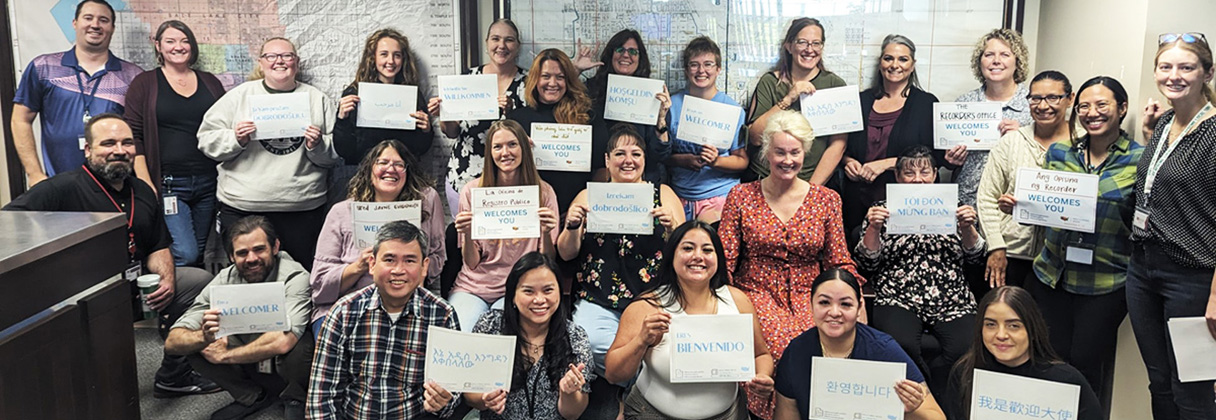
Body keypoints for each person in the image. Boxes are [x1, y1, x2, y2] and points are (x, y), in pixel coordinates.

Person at [3, 113, 220, 399]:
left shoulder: (141, 190)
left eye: (127, 143)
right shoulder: (61, 188)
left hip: (134, 286)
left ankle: (173, 375)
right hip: (82, 294)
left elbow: (158, 244)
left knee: (199, 281)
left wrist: (166, 280)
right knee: (104, 387)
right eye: (108, 143)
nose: (119, 150)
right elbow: (10, 222)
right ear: (89, 149)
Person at [997, 76, 1140, 417]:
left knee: (1086, 367)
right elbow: (1047, 212)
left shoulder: (1139, 159)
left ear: (1122, 109)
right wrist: (1021, 208)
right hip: (1051, 277)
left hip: (1104, 282)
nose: (1092, 113)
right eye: (1085, 106)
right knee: (1045, 362)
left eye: (1102, 105)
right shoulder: (1061, 153)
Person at [718, 110, 862, 418]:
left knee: (830, 346)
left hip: (812, 294)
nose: (787, 160)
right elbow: (725, 259)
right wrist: (722, 306)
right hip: (755, 291)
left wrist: (855, 301)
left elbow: (839, 258)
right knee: (785, 345)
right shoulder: (740, 196)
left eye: (794, 152)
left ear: (804, 153)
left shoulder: (827, 200)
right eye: (779, 152)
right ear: (767, 152)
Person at [1128, 32, 1216, 419]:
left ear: (1207, 73)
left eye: (1186, 67)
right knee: (1159, 381)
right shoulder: (1164, 124)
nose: (1174, 75)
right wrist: (1149, 134)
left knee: (1192, 389)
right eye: (1166, 67)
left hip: (1193, 278)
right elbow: (1166, 185)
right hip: (1143, 269)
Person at [605, 220, 774, 420]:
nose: (698, 257)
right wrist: (641, 340)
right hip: (652, 414)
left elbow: (761, 354)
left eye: (707, 250)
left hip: (728, 414)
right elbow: (613, 374)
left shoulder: (737, 301)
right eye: (688, 248)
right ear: (672, 256)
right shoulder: (647, 306)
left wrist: (762, 376)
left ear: (718, 258)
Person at [197, 37, 340, 271]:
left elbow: (335, 153)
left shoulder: (316, 99)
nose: (279, 61)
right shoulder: (239, 96)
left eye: (287, 56)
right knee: (248, 278)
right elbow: (206, 140)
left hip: (301, 208)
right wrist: (236, 138)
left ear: (297, 62)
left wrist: (317, 145)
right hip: (244, 207)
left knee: (297, 275)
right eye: (272, 56)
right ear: (261, 63)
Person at [855, 145, 983, 396]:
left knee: (966, 349)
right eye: (909, 174)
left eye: (925, 172)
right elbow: (867, 264)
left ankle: (941, 398)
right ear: (898, 177)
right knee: (899, 346)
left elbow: (976, 257)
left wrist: (968, 227)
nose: (918, 179)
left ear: (935, 174)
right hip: (898, 293)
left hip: (951, 296)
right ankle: (920, 400)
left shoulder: (954, 207)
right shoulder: (882, 208)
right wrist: (873, 228)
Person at [557, 124, 684, 375]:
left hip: (653, 295)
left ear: (644, 160)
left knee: (670, 345)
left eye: (636, 154)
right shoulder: (589, 195)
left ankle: (638, 382)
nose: (628, 160)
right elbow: (566, 253)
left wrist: (672, 228)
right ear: (607, 159)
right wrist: (572, 226)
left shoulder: (663, 194)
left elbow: (684, 250)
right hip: (599, 296)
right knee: (588, 344)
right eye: (619, 154)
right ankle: (640, 383)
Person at [164, 216, 314, 420]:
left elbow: (284, 341)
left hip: (286, 363)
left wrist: (225, 356)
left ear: (275, 247)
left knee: (301, 344)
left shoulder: (295, 277)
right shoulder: (224, 279)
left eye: (259, 249)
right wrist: (203, 337)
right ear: (232, 257)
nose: (251, 259)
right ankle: (251, 396)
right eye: (242, 253)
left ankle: (296, 398)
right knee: (193, 343)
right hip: (249, 360)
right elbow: (172, 342)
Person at [308, 220, 461, 419]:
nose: (398, 270)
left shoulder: (442, 315)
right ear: (372, 264)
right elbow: (322, 397)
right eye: (389, 260)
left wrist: (443, 402)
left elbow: (451, 394)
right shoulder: (344, 313)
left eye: (410, 260)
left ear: (424, 267)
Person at [310, 140, 445, 338]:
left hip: (406, 301)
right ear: (369, 170)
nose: (391, 169)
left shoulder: (426, 203)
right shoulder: (341, 212)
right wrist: (358, 267)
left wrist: (412, 266)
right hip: (348, 304)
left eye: (399, 164)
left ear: (407, 171)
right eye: (382, 163)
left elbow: (437, 258)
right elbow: (320, 285)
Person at [773, 269, 946, 420]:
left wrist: (911, 410)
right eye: (824, 302)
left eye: (845, 304)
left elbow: (937, 417)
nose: (834, 312)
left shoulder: (884, 350)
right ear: (811, 304)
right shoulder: (797, 351)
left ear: (859, 307)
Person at [123, 19, 226, 266]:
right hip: (170, 184)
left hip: (208, 182)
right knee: (185, 252)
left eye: (184, 41)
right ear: (158, 46)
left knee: (200, 251)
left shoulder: (210, 82)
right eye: (170, 41)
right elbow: (133, 136)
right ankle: (167, 297)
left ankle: (190, 300)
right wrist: (146, 183)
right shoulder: (145, 83)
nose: (178, 47)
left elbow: (224, 125)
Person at [12, 0, 143, 184]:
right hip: (59, 183)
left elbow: (139, 134)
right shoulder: (44, 68)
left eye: (103, 20)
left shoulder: (133, 75)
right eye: (88, 18)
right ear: (75, 23)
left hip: (116, 184)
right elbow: (20, 119)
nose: (95, 25)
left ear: (112, 28)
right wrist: (34, 174)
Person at [452, 120, 560, 331]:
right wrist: (466, 233)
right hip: (474, 286)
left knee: (501, 336)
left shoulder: (544, 192)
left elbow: (547, 260)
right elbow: (471, 263)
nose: (505, 152)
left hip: (519, 287)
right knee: (461, 333)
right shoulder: (471, 191)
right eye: (497, 146)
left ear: (523, 147)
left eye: (512, 144)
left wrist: (546, 233)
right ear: (489, 152)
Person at [975, 71, 1074, 291]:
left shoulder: (1083, 144)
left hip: (1061, 259)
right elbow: (986, 197)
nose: (1043, 105)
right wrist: (996, 246)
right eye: (1035, 98)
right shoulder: (1011, 142)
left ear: (1070, 99)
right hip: (1011, 254)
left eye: (1053, 98)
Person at [842, 34, 949, 236]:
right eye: (888, 58)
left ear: (913, 64)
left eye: (903, 59)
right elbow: (843, 147)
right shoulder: (861, 100)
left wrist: (887, 164)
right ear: (881, 62)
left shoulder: (926, 104)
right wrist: (848, 162)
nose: (894, 65)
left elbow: (935, 157)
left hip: (907, 205)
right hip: (858, 202)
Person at [465, 252, 594, 420]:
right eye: (528, 291)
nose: (539, 299)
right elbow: (469, 393)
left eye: (548, 290)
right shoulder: (490, 326)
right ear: (512, 296)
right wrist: (484, 400)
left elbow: (572, 414)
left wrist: (568, 392)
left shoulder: (575, 337)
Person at [945, 286, 1102, 420]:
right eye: (991, 325)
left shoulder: (1066, 380)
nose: (1001, 335)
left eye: (1013, 326)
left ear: (1032, 330)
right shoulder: (965, 372)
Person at [438, 19, 528, 217]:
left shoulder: (529, 84)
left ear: (517, 46)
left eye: (509, 40)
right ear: (487, 42)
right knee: (466, 241)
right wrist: (443, 115)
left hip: (510, 182)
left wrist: (511, 114)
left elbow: (532, 134)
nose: (501, 46)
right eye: (495, 39)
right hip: (464, 176)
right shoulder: (468, 79)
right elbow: (452, 133)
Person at [331, 28, 433, 204]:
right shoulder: (354, 93)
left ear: (403, 59)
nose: (390, 61)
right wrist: (342, 119)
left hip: (403, 183)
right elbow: (344, 151)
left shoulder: (412, 95)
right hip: (365, 183)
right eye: (384, 54)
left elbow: (420, 150)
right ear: (373, 58)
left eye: (397, 55)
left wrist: (426, 130)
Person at [745, 18, 846, 188]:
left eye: (816, 43)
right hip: (765, 181)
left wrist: (810, 190)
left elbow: (838, 145)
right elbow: (755, 137)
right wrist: (788, 99)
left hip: (811, 183)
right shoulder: (769, 82)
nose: (809, 50)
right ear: (789, 46)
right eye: (802, 42)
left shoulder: (834, 84)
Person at [507, 48, 611, 213]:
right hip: (533, 211)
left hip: (579, 210)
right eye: (546, 76)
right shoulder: (517, 120)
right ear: (535, 79)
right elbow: (505, 170)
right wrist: (516, 149)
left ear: (568, 80)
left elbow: (601, 169)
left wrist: (585, 206)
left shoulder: (588, 117)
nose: (553, 83)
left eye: (560, 77)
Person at [665, 36, 749, 223]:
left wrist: (716, 161)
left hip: (718, 194)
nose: (701, 71)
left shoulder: (732, 109)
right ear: (686, 70)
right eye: (694, 65)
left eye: (708, 64)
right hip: (680, 194)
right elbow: (661, 154)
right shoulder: (672, 105)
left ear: (718, 69)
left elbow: (742, 161)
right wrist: (681, 160)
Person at [951, 28, 1034, 209]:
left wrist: (1024, 136)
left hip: (1013, 204)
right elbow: (948, 158)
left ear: (1017, 61)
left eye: (1005, 54)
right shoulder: (964, 103)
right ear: (979, 62)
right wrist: (951, 158)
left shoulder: (1034, 104)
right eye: (989, 54)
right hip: (968, 202)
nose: (996, 61)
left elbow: (1047, 154)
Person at [580, 29, 672, 184]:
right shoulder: (590, 90)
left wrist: (661, 121)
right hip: (600, 182)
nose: (626, 55)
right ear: (611, 55)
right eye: (620, 50)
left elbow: (661, 155)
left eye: (633, 52)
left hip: (643, 182)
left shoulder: (653, 94)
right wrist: (576, 70)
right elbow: (560, 102)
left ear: (640, 58)